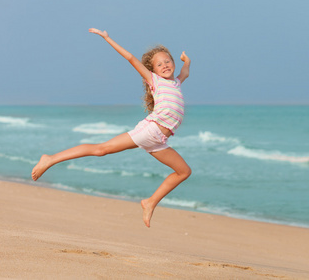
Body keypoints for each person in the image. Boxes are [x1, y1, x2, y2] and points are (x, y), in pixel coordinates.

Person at [31, 28, 192, 228]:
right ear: (153, 71)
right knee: (101, 149)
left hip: (159, 140)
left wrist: (186, 60)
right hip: (149, 131)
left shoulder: (176, 83)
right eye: (159, 64)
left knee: (183, 171)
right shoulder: (155, 81)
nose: (165, 65)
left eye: (168, 61)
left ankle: (150, 202)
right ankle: (50, 159)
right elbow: (130, 58)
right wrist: (107, 38)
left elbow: (185, 72)